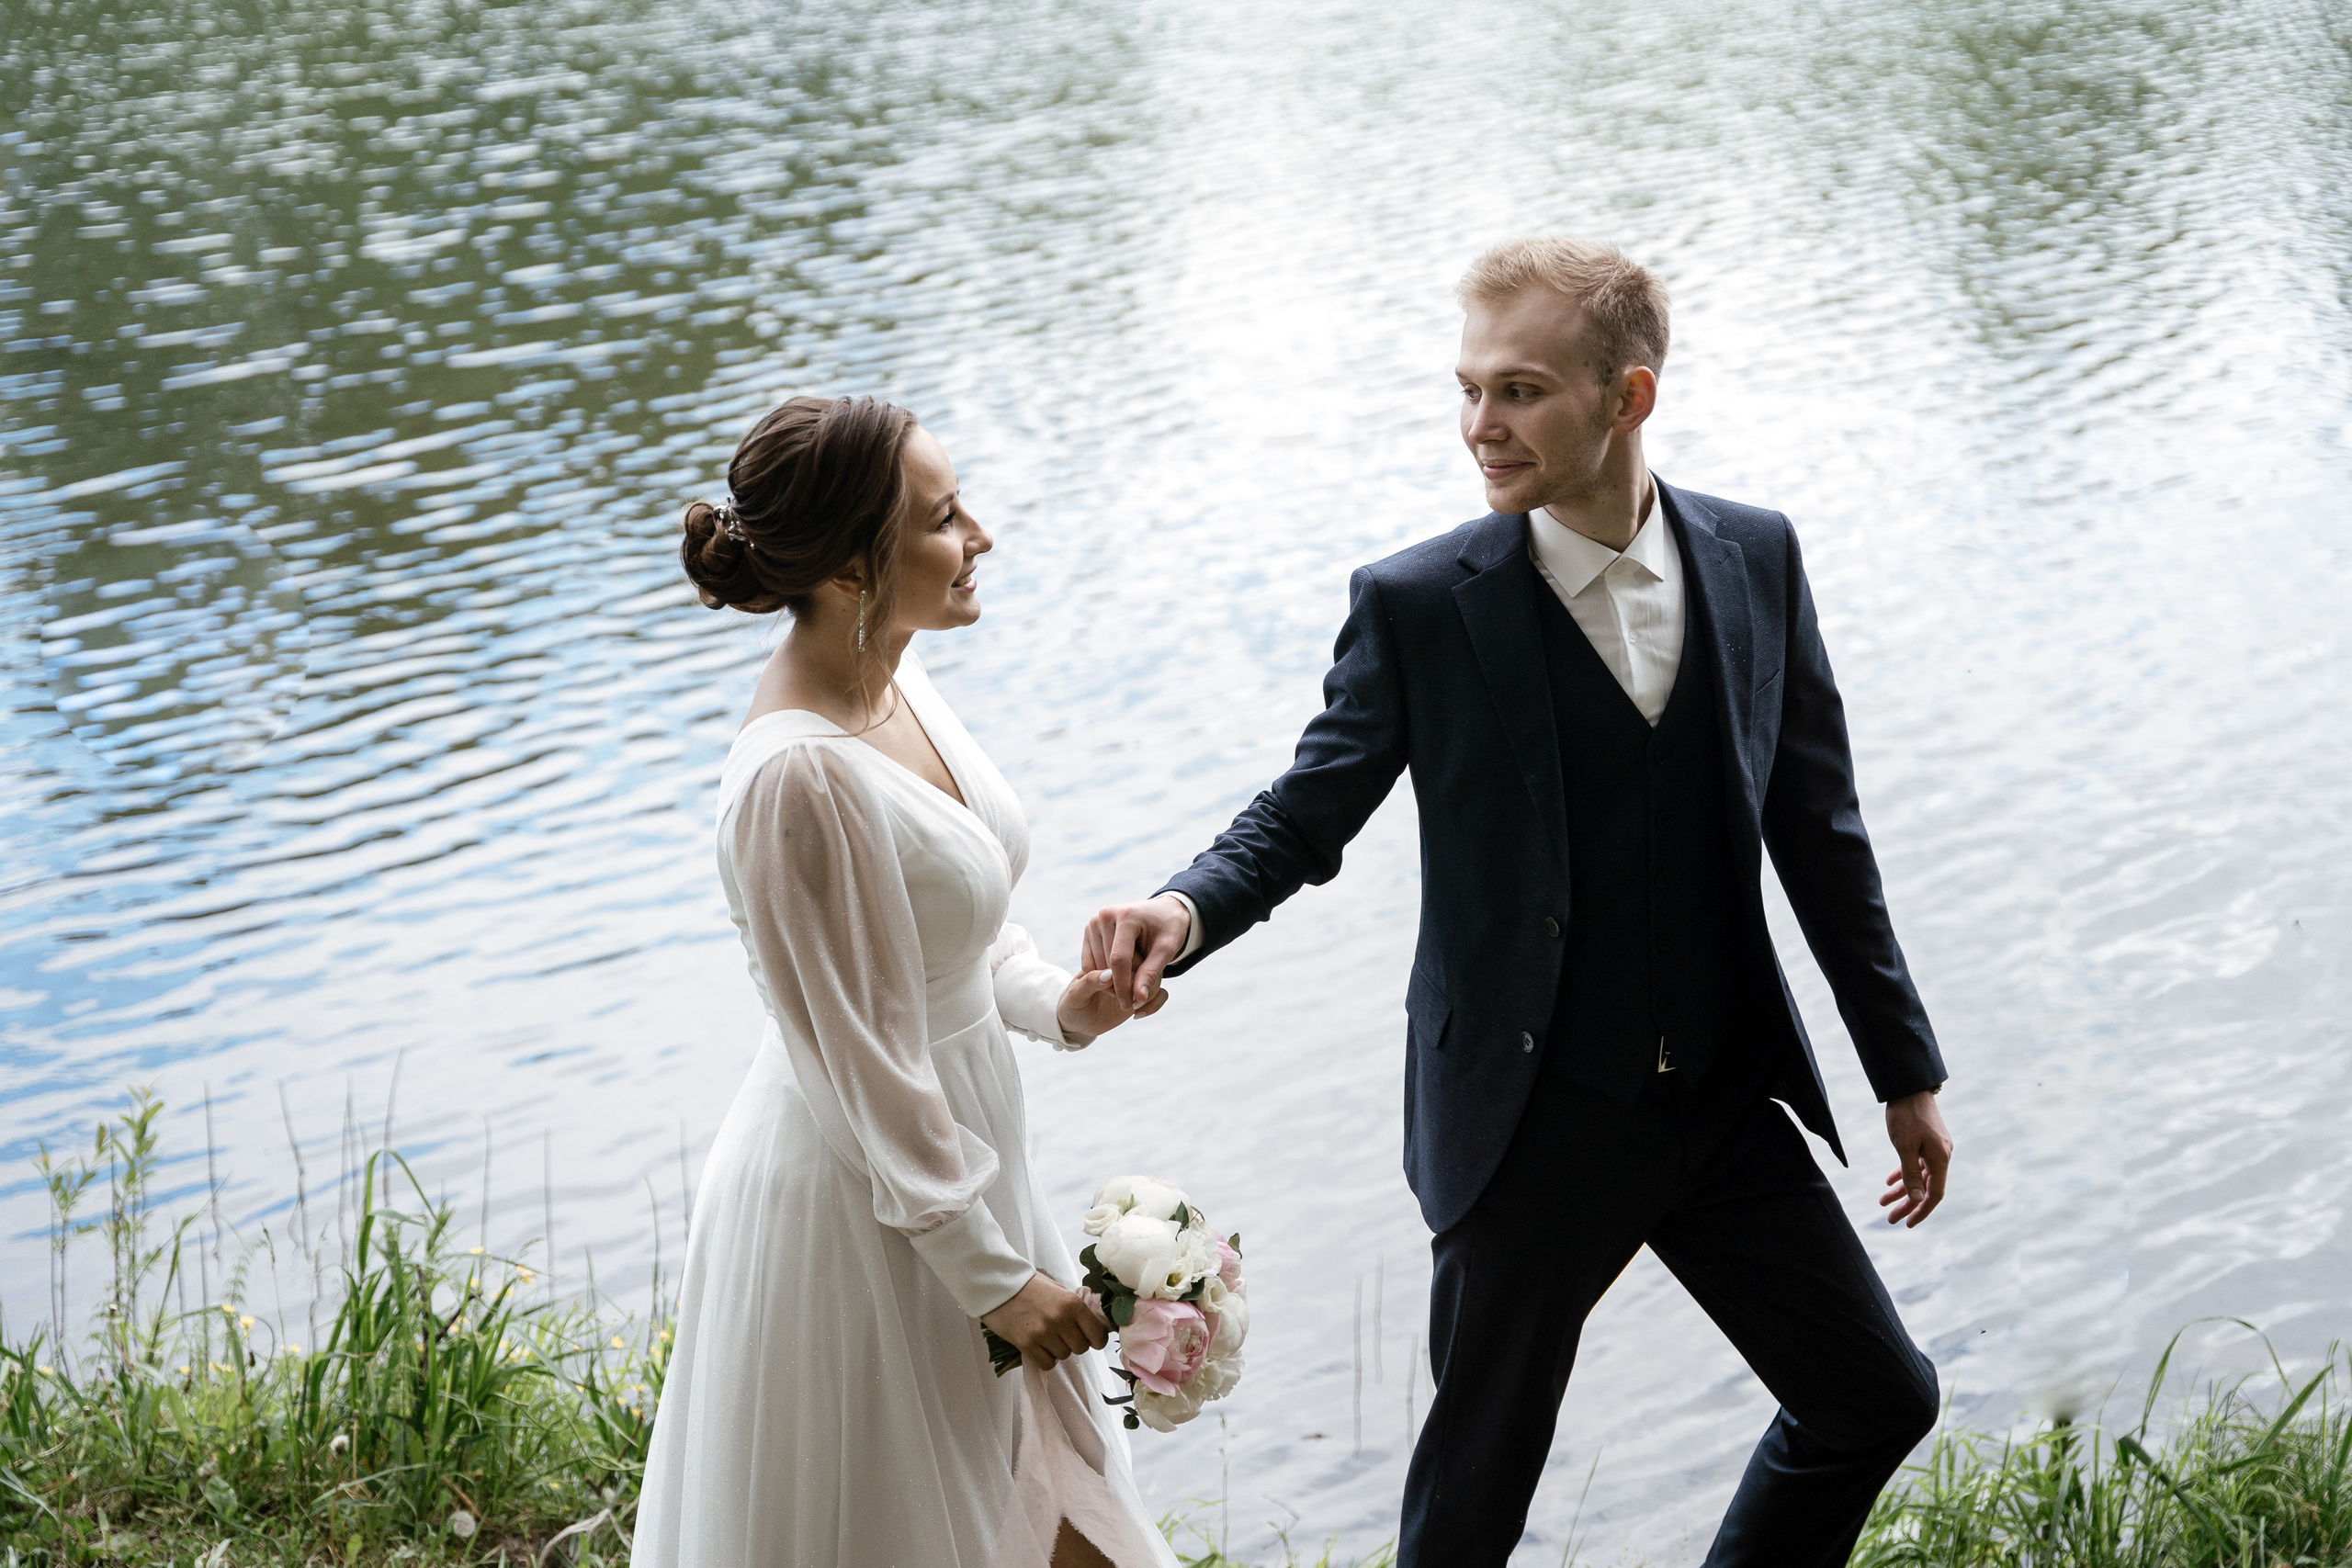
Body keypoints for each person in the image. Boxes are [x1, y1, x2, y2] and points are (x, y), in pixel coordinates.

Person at [1084, 239, 1953, 1566]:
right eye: (1470, 388)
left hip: (1720, 1100)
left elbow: (1820, 833)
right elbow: (1304, 811)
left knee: (1875, 1396)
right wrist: (1181, 911)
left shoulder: (1755, 558)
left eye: (1522, 391)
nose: (1479, 426)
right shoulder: (1424, 601)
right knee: (1472, 1503)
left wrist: (1903, 1064)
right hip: (1528, 1119)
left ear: (1630, 397)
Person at [633, 395, 1179, 1568]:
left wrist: (1056, 1004)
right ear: (847, 568)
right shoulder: (795, 782)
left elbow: (948, 936)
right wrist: (989, 1276)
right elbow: (858, 1053)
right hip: (867, 1205)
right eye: (942, 518)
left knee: (1052, 1504)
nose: (978, 533)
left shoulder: (893, 673)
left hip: (963, 1162)